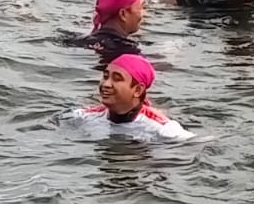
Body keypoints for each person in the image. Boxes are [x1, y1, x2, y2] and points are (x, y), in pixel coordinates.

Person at [63, 54, 194, 142]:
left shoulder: (164, 130)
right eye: (105, 76)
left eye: (117, 79)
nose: (106, 84)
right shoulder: (83, 116)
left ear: (137, 90)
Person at [69, 0, 144, 58]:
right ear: (123, 14)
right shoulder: (129, 51)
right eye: (141, 7)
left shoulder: (76, 41)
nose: (143, 13)